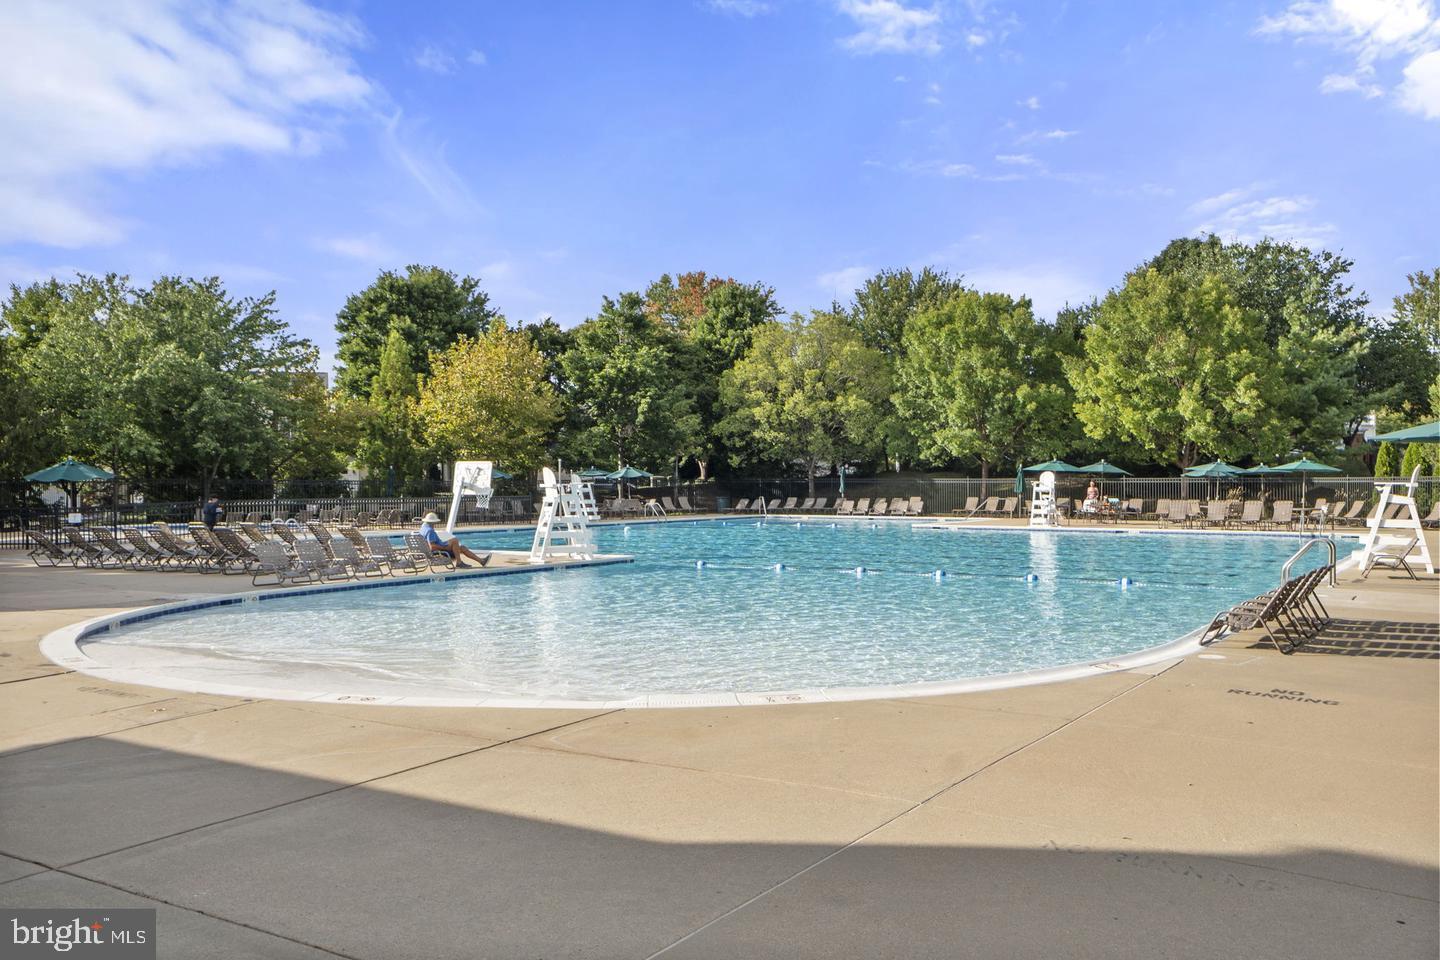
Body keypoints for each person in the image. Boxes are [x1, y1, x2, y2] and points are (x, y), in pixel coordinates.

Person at [418, 512, 490, 568]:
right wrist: (445, 547)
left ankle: (481, 561)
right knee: (454, 540)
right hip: (438, 553)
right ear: (433, 522)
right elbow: (432, 546)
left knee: (462, 547)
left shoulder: (423, 528)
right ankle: (459, 562)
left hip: (430, 551)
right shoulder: (430, 531)